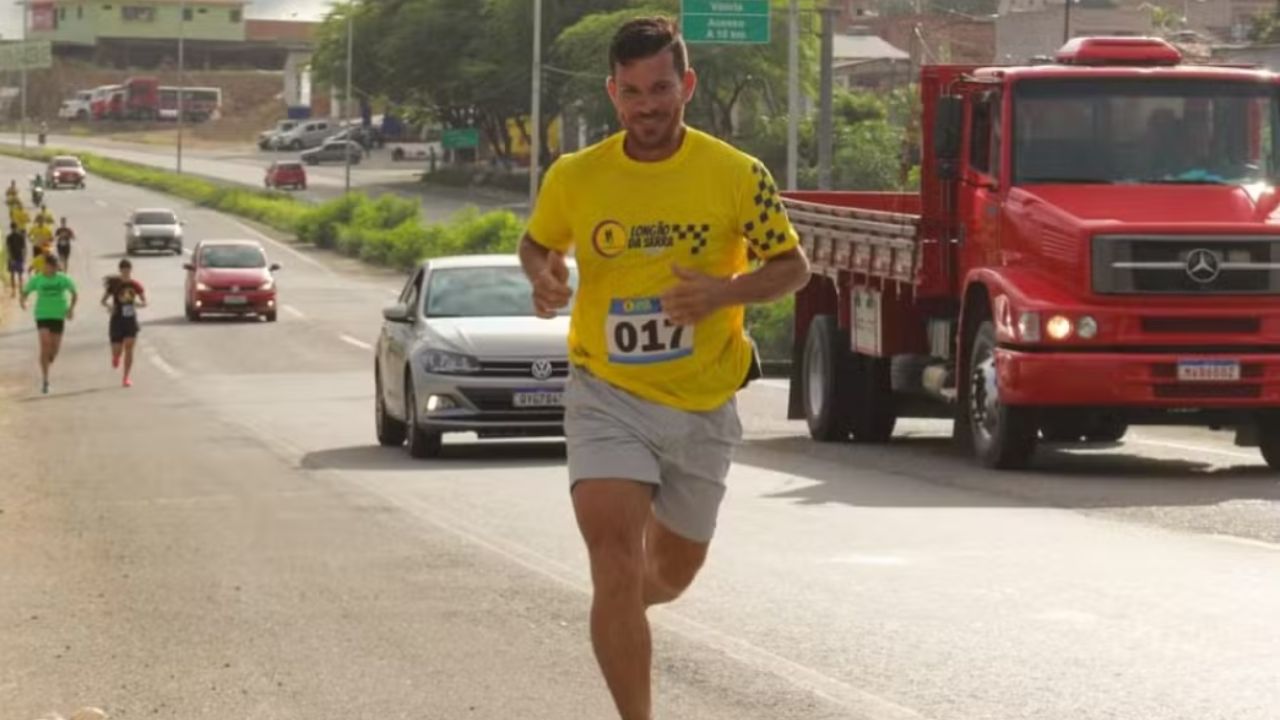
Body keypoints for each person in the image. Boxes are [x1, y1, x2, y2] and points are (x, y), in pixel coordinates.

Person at [516, 17, 810, 720]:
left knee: (669, 576)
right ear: (612, 94)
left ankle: (621, 609)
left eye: (661, 88)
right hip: (606, 395)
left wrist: (724, 292)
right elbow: (536, 244)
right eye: (632, 92)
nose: (648, 105)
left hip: (702, 406)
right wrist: (545, 275)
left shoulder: (738, 175)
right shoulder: (576, 175)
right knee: (613, 563)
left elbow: (793, 267)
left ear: (688, 85)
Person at [19, 253, 78, 394]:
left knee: (54, 350)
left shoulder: (63, 279)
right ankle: (45, 380)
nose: (48, 269)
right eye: (46, 265)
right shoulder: (38, 279)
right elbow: (25, 292)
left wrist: (70, 309)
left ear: (55, 266)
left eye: (51, 266)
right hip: (42, 314)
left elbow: (74, 293)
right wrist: (23, 301)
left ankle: (48, 359)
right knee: (45, 343)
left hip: (58, 315)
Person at [101, 259, 146, 388]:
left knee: (129, 348)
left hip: (130, 320)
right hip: (117, 320)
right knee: (117, 351)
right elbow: (103, 301)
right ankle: (115, 357)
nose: (126, 272)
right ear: (120, 270)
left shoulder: (136, 285)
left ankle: (126, 377)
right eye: (123, 270)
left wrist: (139, 304)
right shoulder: (115, 284)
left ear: (131, 270)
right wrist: (110, 307)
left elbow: (144, 301)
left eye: (128, 269)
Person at [5, 221, 25, 297]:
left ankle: (20, 289)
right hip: (13, 257)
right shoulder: (9, 237)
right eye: (13, 228)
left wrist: (23, 257)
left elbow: (23, 248)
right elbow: (8, 248)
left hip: (18, 256)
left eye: (14, 228)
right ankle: (14, 290)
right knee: (12, 275)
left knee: (19, 274)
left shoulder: (20, 236)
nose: (13, 229)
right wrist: (11, 258)